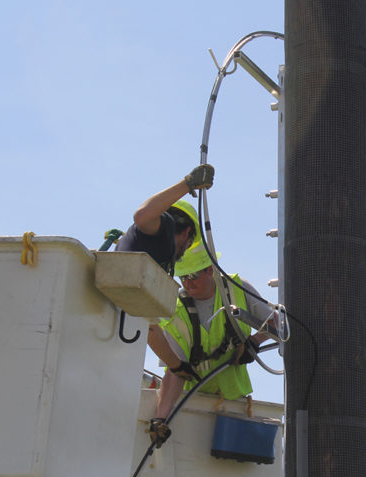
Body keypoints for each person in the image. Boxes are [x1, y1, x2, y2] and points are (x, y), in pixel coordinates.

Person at [148, 240, 273, 445]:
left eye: (192, 275)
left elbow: (276, 323)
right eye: (182, 277)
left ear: (209, 270)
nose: (187, 283)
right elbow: (175, 369)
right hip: (192, 402)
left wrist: (254, 342)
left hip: (235, 404)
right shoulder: (173, 311)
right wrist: (161, 418)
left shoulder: (236, 288)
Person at [117, 164, 214, 368]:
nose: (183, 254)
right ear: (187, 233)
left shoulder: (154, 258)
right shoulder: (164, 232)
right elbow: (142, 216)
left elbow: (151, 327)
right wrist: (188, 184)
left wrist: (177, 366)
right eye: (188, 247)